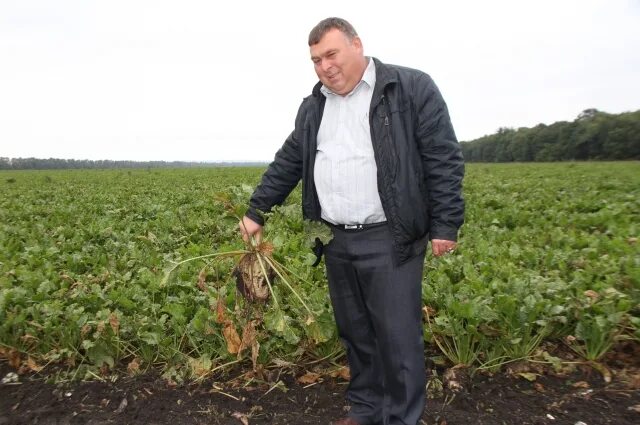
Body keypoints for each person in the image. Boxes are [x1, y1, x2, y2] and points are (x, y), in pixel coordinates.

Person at [239, 17, 464, 425]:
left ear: (356, 45)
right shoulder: (314, 106)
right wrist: (257, 211)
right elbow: (290, 161)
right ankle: (366, 409)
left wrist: (446, 224)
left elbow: (442, 157)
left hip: (390, 237)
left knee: (397, 339)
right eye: (315, 60)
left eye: (331, 54)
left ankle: (400, 418)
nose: (324, 66)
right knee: (357, 334)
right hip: (336, 239)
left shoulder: (409, 88)